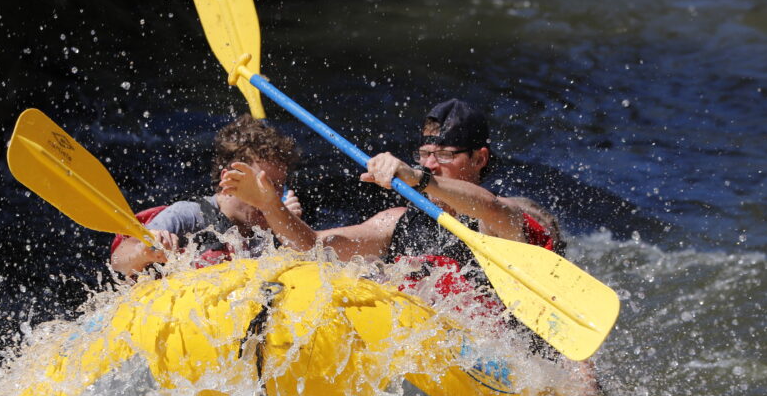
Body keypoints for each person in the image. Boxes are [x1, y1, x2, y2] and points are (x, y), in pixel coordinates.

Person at [217, 98, 563, 280]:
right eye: (425, 155)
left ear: (479, 159)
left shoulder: (501, 221)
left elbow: (488, 208)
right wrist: (269, 205)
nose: (430, 164)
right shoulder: (396, 223)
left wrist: (419, 179)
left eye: (444, 155)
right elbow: (315, 247)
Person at [110, 115, 302, 279]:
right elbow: (119, 260)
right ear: (229, 179)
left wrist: (289, 225)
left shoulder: (271, 227)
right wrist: (144, 250)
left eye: (278, 187)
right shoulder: (189, 215)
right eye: (264, 184)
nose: (273, 196)